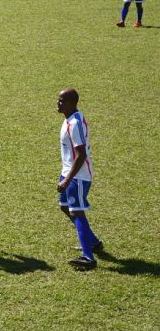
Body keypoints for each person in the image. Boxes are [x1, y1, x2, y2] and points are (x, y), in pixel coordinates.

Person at [56, 88, 102, 270]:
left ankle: (88, 257)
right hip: (68, 171)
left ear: (72, 103)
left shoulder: (75, 123)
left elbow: (81, 155)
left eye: (62, 101)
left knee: (77, 211)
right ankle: (93, 242)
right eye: (58, 100)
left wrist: (67, 179)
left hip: (78, 176)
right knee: (65, 206)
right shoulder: (69, 119)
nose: (58, 103)